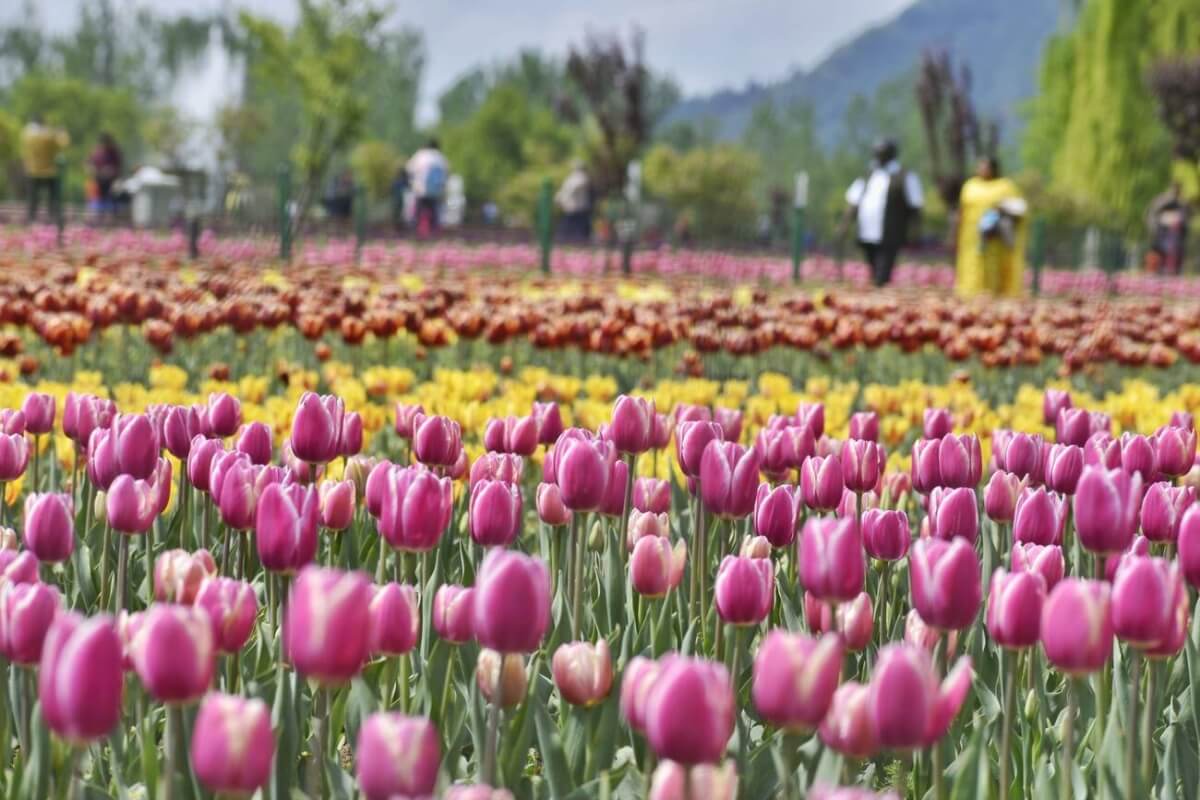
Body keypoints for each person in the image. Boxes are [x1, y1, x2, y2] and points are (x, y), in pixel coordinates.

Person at [844, 139, 923, 287]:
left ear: (891, 154)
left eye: (882, 153)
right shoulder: (868, 174)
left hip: (891, 231)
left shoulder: (904, 176)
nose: (878, 157)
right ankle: (877, 294)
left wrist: (915, 230)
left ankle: (881, 298)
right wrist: (845, 225)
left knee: (883, 269)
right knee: (873, 266)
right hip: (867, 230)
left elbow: (915, 205)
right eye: (877, 153)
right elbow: (853, 201)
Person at [955, 156, 1028, 297]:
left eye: (986, 167)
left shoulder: (1005, 186)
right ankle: (971, 294)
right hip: (972, 235)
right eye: (980, 166)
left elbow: (1019, 210)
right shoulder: (970, 185)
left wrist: (1000, 212)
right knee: (974, 264)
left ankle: (999, 295)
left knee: (995, 266)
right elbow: (962, 210)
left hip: (997, 237)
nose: (982, 169)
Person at [21, 115, 70, 223]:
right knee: (52, 198)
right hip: (49, 171)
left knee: (32, 198)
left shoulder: (26, 135)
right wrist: (62, 132)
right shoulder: (49, 136)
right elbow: (63, 144)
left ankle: (31, 218)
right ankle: (52, 218)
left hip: (32, 170)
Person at [406, 139, 449, 236]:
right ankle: (435, 229)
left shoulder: (420, 155)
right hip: (436, 190)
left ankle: (415, 228)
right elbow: (446, 172)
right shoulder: (440, 156)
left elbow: (409, 168)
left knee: (418, 210)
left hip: (420, 189)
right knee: (434, 211)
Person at [1146, 183, 1190, 274]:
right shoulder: (1161, 201)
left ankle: (1172, 272)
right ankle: (1159, 271)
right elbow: (1153, 215)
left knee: (1174, 255)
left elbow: (1185, 219)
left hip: (1175, 235)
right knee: (1161, 255)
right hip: (1163, 233)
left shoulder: (1181, 204)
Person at [555, 159, 592, 241]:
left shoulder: (580, 177)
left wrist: (561, 199)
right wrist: (561, 199)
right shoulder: (574, 178)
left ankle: (577, 240)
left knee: (577, 226)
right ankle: (567, 239)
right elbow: (566, 190)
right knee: (572, 225)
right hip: (574, 207)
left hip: (578, 207)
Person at [88, 132, 123, 218]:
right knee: (97, 202)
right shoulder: (96, 152)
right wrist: (93, 170)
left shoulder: (114, 153)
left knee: (111, 202)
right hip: (98, 180)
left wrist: (110, 171)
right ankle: (98, 219)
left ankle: (112, 219)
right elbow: (89, 164)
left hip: (111, 182)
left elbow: (118, 167)